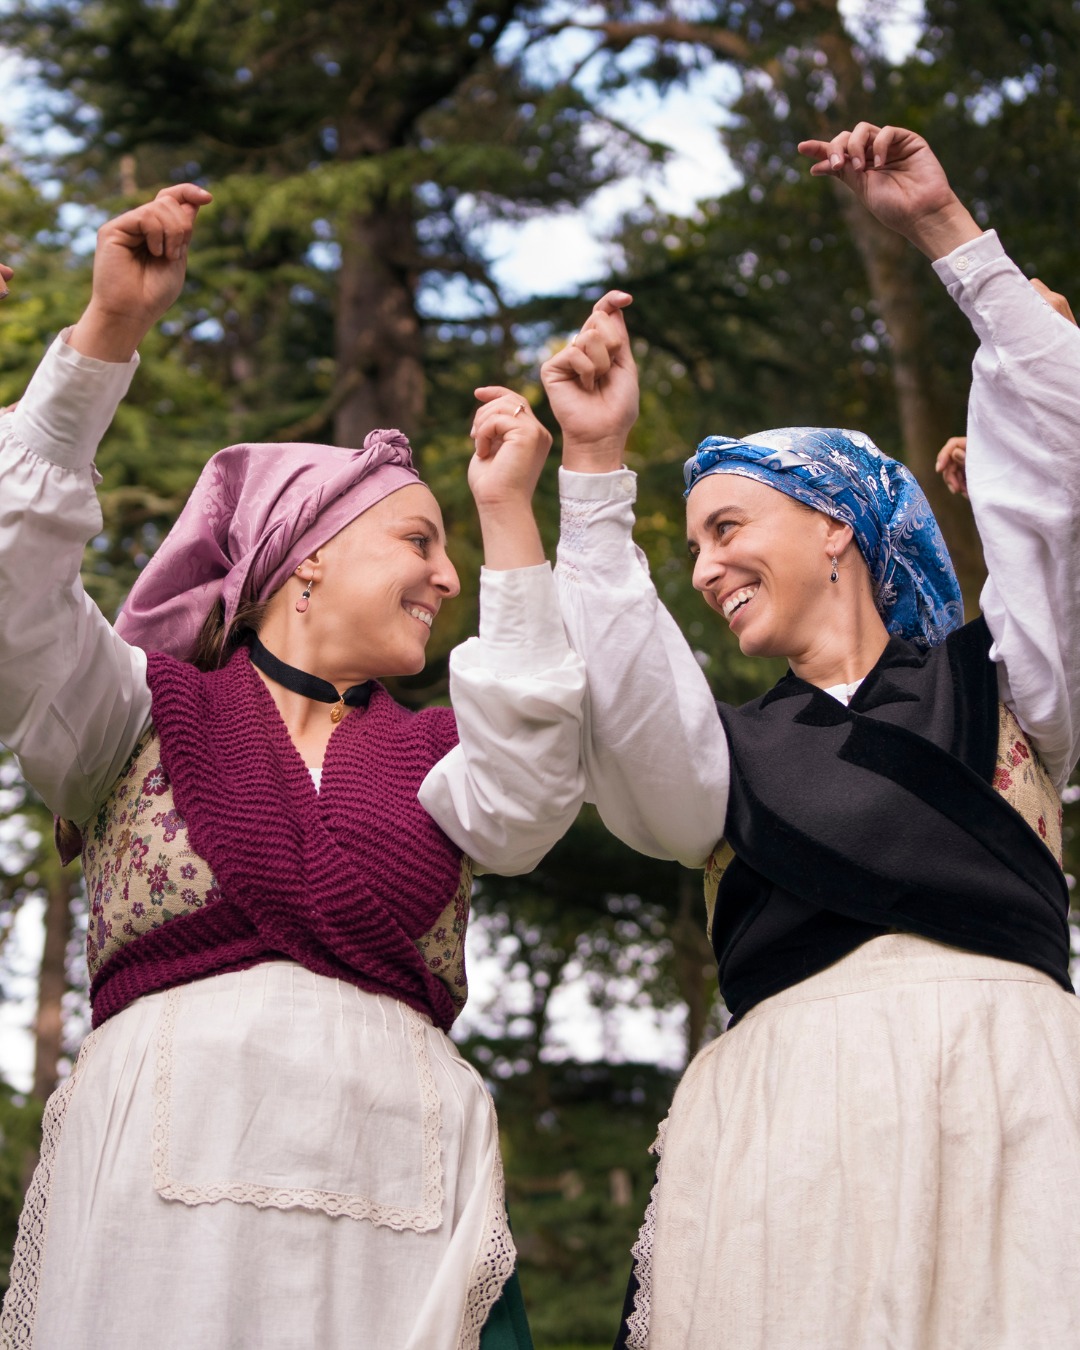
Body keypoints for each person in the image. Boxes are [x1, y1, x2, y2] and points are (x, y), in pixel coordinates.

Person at [0, 185, 587, 1349]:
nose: (446, 576)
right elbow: (14, 588)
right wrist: (104, 334)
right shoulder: (132, 708)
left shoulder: (439, 755)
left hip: (403, 1212)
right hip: (160, 1207)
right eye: (421, 541)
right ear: (304, 562)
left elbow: (529, 794)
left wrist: (510, 511)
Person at [540, 122, 1080, 1348]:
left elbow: (1063, 478)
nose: (708, 565)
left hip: (1013, 1105)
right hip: (788, 1138)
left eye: (729, 524)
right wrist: (593, 461)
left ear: (836, 523)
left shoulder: (1014, 682)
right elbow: (625, 681)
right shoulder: (711, 753)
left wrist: (948, 232)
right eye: (692, 548)